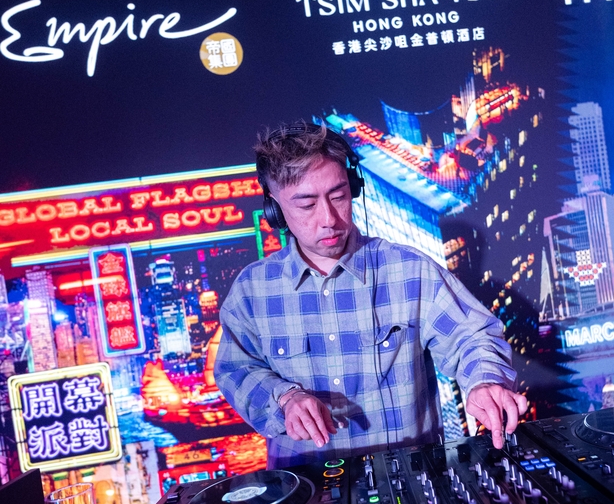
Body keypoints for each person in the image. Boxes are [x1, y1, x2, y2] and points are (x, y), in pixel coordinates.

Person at [213, 121, 527, 468]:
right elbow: (236, 369)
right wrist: (284, 398)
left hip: (411, 475)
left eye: (338, 196)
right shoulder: (251, 290)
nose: (329, 219)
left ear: (353, 187)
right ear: (274, 209)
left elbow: (472, 336)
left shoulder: (410, 270)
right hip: (308, 485)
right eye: (306, 205)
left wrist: (484, 381)